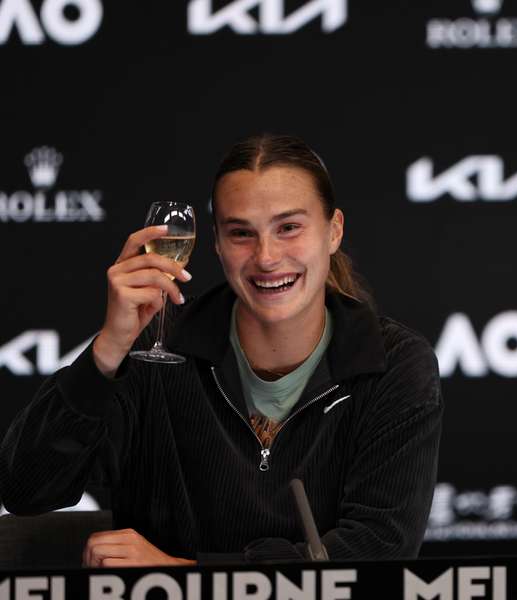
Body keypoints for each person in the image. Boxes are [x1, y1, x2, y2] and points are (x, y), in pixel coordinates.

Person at [0, 134, 443, 567]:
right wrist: (108, 349)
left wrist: (188, 576)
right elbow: (26, 490)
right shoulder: (153, 348)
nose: (266, 257)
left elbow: (380, 551)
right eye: (241, 233)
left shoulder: (394, 362)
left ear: (333, 231)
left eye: (289, 228)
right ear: (215, 243)